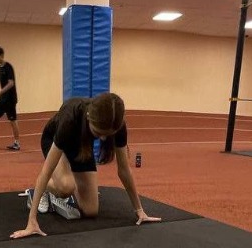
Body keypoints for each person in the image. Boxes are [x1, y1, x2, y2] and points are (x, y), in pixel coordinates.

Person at [10, 92, 161, 238]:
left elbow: (124, 170)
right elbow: (46, 171)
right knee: (66, 187)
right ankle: (39, 192)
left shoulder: (117, 124)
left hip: (82, 146)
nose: (103, 139)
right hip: (54, 141)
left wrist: (139, 210)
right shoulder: (70, 118)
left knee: (90, 210)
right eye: (98, 133)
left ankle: (64, 183)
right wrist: (32, 221)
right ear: (88, 117)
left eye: (107, 135)